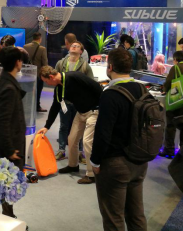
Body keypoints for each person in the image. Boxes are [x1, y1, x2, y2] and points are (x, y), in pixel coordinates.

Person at [90, 48, 151, 231]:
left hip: (115, 164)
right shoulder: (142, 89)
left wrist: (95, 161)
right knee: (136, 215)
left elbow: (103, 132)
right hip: (139, 161)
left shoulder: (110, 94)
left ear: (110, 67)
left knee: (113, 218)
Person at [38, 66, 102, 185]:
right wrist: (47, 126)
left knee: (87, 142)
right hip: (81, 113)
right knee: (71, 139)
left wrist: (101, 106)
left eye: (46, 81)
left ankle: (91, 174)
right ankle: (73, 165)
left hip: (93, 111)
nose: (47, 84)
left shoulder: (74, 76)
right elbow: (55, 107)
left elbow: (96, 87)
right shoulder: (58, 89)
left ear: (51, 77)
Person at [0, 47, 26, 218]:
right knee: (8, 183)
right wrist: (10, 149)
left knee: (4, 183)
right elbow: (2, 121)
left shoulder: (0, 80)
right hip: (8, 146)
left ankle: (6, 216)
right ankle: (7, 218)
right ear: (17, 62)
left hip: (2, 143)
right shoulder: (9, 87)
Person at [54, 41, 94, 162]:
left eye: (77, 46)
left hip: (79, 103)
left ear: (81, 51)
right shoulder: (61, 63)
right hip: (64, 101)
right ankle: (61, 150)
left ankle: (80, 153)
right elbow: (54, 79)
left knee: (80, 128)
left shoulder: (85, 66)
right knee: (63, 126)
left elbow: (91, 83)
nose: (74, 47)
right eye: (72, 46)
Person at [24, 32, 48, 113]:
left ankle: (27, 105)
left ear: (33, 38)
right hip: (38, 74)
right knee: (38, 90)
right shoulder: (42, 49)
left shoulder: (25, 47)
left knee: (28, 90)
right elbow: (45, 63)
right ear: (40, 39)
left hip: (27, 73)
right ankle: (37, 106)